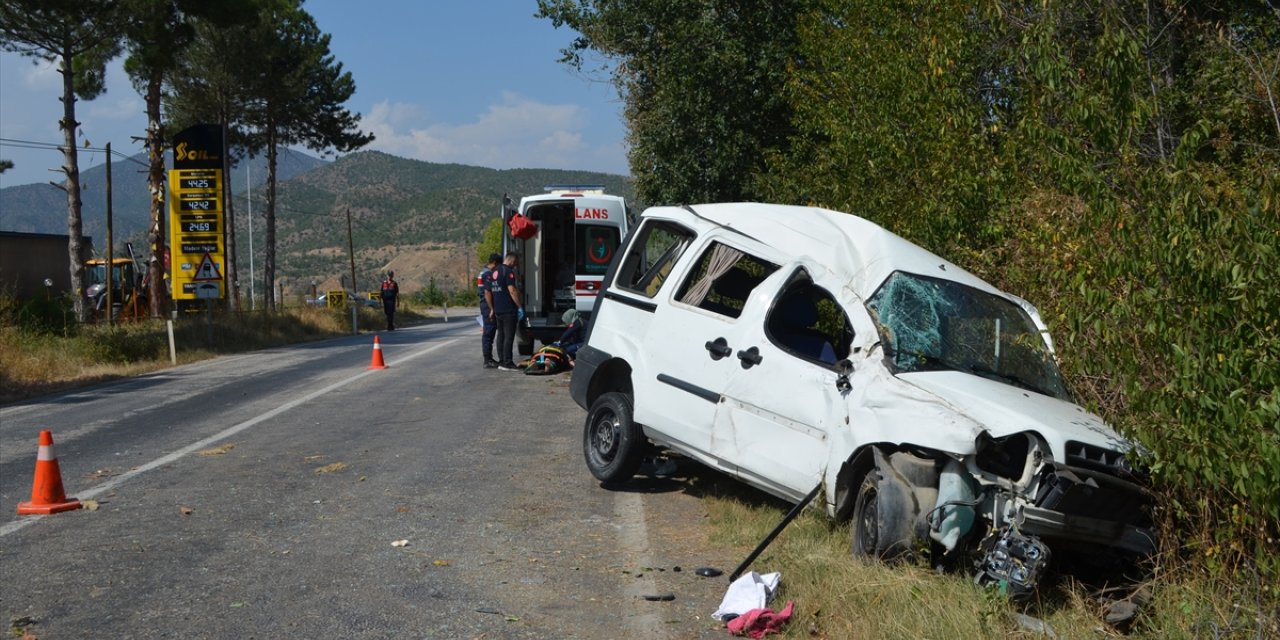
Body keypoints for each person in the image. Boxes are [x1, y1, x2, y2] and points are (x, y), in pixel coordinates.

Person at [488, 251, 523, 370]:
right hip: (508, 309)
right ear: (512, 260)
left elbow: (489, 292)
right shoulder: (508, 272)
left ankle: (502, 361)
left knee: (501, 335)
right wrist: (519, 306)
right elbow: (512, 290)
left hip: (498, 309)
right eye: (516, 263)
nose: (516, 265)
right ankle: (508, 362)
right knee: (509, 336)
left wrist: (492, 308)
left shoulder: (494, 272)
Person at [477, 253, 500, 368]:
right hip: (487, 305)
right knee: (489, 332)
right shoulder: (488, 274)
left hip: (485, 305)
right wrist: (492, 309)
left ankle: (488, 358)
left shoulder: (483, 272)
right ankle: (488, 360)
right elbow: (487, 293)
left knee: (489, 332)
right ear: (495, 263)